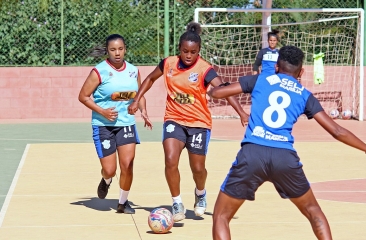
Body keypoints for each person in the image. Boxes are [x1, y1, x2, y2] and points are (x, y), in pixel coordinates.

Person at [208, 45, 366, 240]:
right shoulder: (304, 95)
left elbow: (217, 94)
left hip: (253, 153)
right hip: (284, 157)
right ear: (301, 71)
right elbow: (337, 131)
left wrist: (217, 88)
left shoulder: (261, 80)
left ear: (276, 66)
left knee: (221, 216)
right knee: (313, 210)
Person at [128, 22, 249, 222]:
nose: (188, 55)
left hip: (199, 123)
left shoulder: (205, 69)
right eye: (185, 51)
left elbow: (225, 89)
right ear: (179, 50)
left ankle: (200, 193)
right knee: (170, 159)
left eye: (193, 52)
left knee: (198, 168)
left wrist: (241, 112)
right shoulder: (168, 64)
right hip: (174, 119)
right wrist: (136, 99)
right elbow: (149, 79)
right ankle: (177, 202)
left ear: (199, 51)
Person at [78, 34, 152, 214]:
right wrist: (102, 111)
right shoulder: (99, 71)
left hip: (126, 124)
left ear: (125, 49)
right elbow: (83, 96)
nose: (117, 53)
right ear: (108, 51)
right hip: (103, 125)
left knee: (128, 164)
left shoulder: (134, 70)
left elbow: (139, 95)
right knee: (110, 169)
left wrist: (144, 111)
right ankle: (106, 180)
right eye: (113, 50)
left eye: (120, 49)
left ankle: (122, 202)